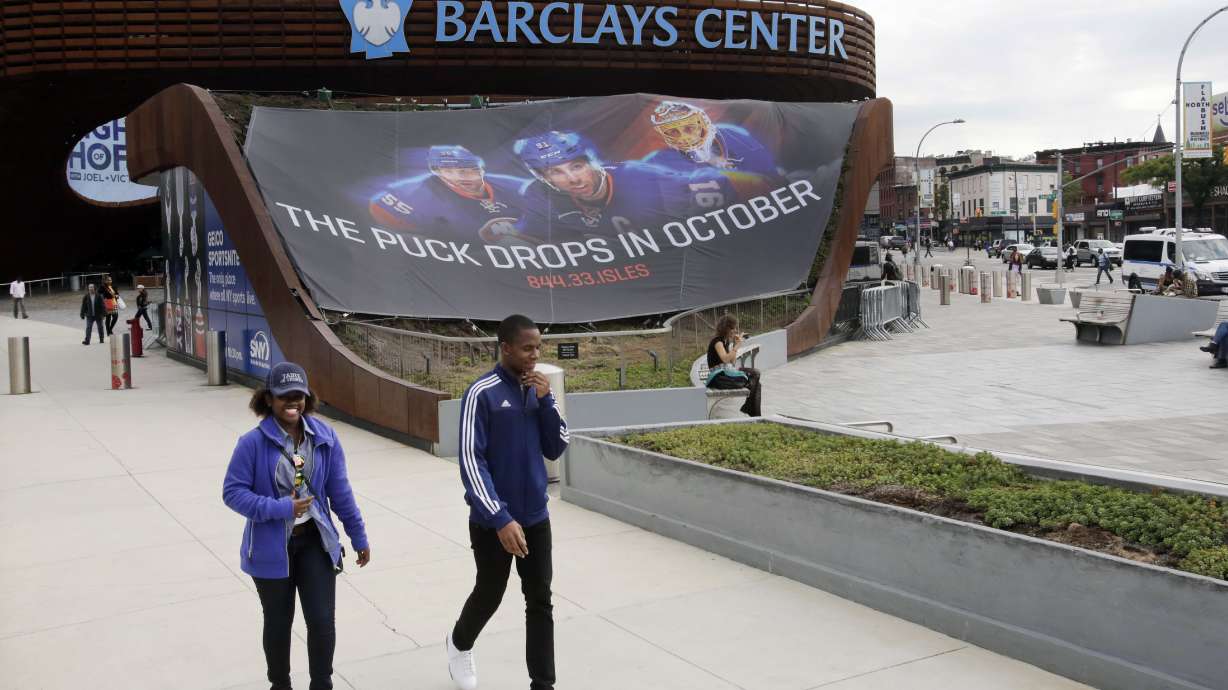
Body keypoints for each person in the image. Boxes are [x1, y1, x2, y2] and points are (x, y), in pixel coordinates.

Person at [223, 362, 371, 690]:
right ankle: (280, 685)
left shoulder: (324, 436)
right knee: (278, 622)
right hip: (271, 548)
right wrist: (280, 508)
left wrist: (357, 533)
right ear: (268, 399)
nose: (293, 402)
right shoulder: (252, 443)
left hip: (315, 542)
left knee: (321, 620)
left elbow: (340, 490)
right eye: (284, 396)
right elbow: (232, 493)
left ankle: (322, 684)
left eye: (299, 396)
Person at [447, 314, 569, 690]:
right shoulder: (480, 393)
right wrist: (499, 518)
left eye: (538, 348)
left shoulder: (537, 391)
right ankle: (459, 644)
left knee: (540, 601)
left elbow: (557, 445)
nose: (534, 356)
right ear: (506, 348)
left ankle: (543, 684)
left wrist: (547, 403)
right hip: (492, 522)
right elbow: (470, 460)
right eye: (527, 348)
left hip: (535, 516)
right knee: (490, 593)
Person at [368, 145, 532, 245]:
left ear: (481, 169)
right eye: (448, 171)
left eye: (466, 170)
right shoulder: (413, 193)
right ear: (437, 172)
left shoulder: (516, 187)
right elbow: (381, 212)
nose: (460, 176)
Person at [704, 314, 762, 417]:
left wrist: (735, 345)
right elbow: (725, 359)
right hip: (718, 378)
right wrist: (737, 347)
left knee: (756, 380)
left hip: (725, 374)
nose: (735, 331)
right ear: (726, 329)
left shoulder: (725, 342)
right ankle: (752, 412)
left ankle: (751, 411)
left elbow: (732, 362)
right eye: (733, 328)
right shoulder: (717, 342)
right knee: (755, 378)